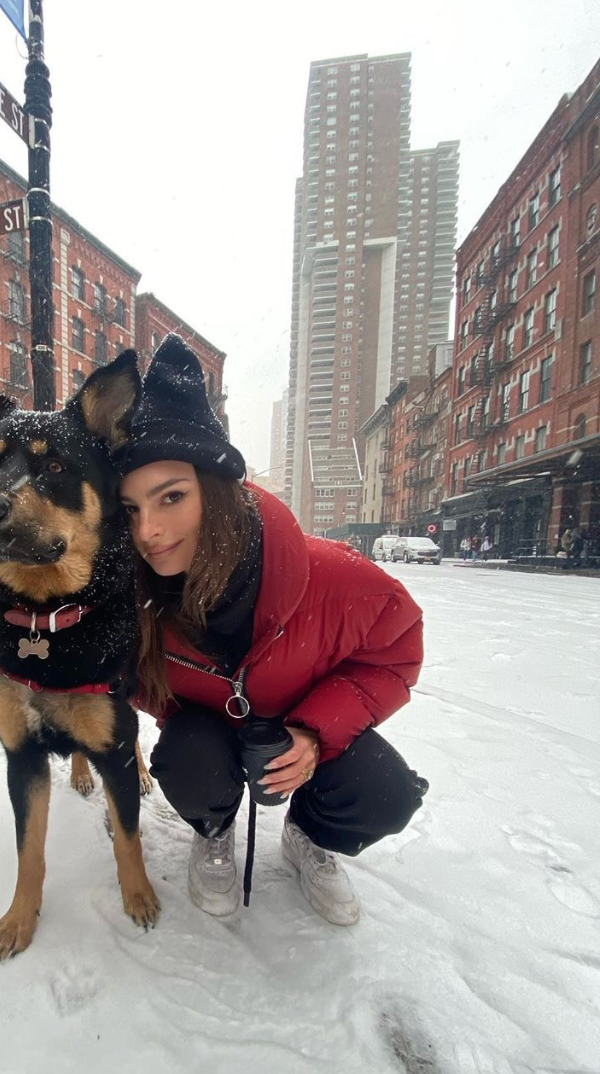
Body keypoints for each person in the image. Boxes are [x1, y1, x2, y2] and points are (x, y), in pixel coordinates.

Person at [116, 335, 428, 925]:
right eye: (130, 509)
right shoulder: (138, 598)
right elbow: (138, 681)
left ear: (217, 492)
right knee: (186, 758)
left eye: (172, 497)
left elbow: (394, 655)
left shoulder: (336, 578)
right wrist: (192, 722)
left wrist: (313, 734)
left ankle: (310, 836)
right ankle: (214, 828)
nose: (149, 530)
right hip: (211, 730)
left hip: (308, 736)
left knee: (383, 790)